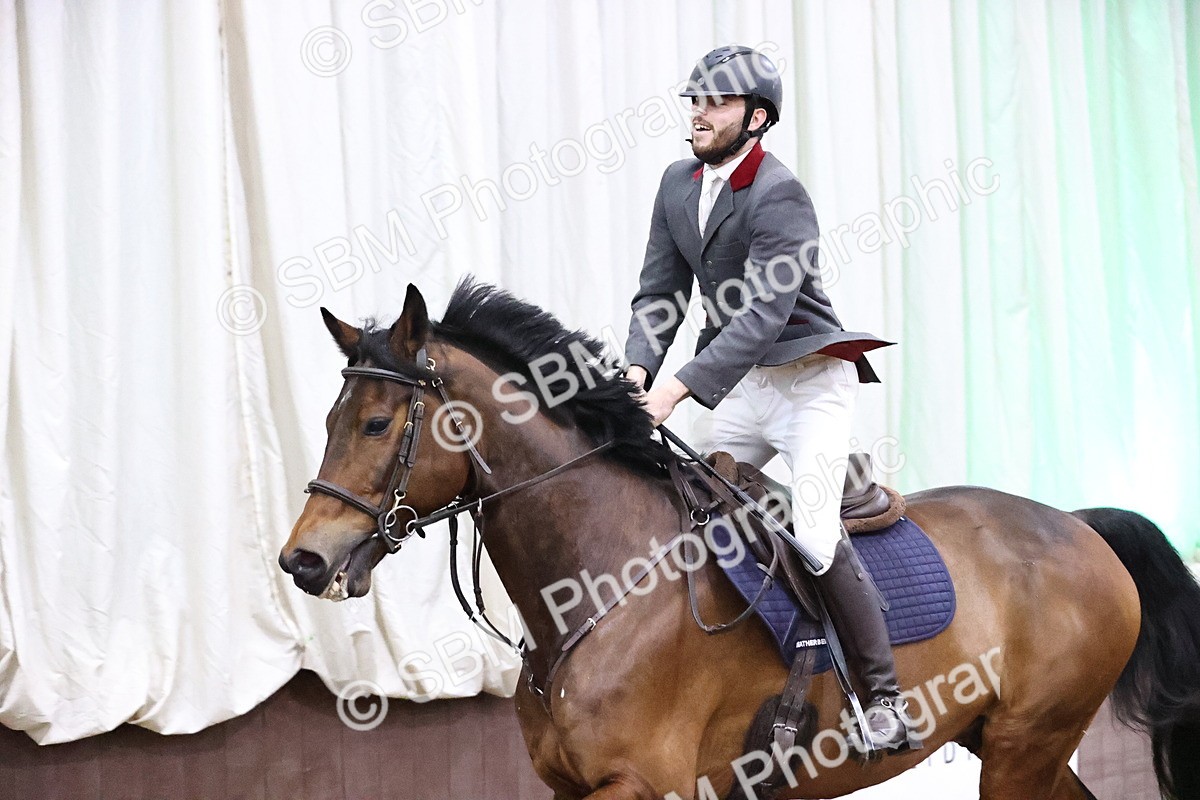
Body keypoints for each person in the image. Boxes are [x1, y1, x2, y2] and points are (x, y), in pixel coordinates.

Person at [623, 45, 915, 752]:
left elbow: (759, 314)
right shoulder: (675, 182)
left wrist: (674, 391)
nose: (699, 113)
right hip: (745, 385)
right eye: (695, 100)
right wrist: (637, 368)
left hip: (808, 383)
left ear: (756, 118)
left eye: (716, 103)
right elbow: (662, 291)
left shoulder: (780, 194)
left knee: (814, 533)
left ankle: (884, 700)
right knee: (682, 501)